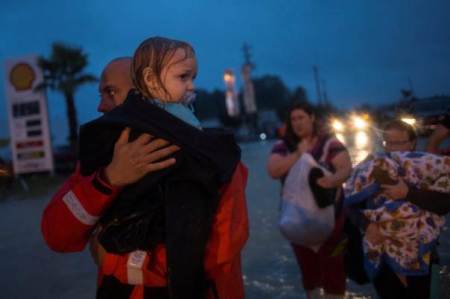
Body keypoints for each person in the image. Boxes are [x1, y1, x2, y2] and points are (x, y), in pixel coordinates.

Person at [42, 48, 249, 299]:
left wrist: (114, 256)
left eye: (110, 92)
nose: (99, 106)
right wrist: (108, 179)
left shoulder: (216, 160)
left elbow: (217, 260)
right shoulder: (99, 162)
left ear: (146, 93)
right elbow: (56, 237)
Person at [347, 120, 450, 299]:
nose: (393, 149)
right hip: (383, 253)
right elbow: (349, 206)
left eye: (399, 143)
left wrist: (407, 193)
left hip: (421, 253)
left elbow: (444, 205)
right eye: (389, 143)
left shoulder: (429, 167)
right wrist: (368, 225)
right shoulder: (372, 165)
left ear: (412, 143)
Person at [267, 102, 352, 299]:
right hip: (298, 218)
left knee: (335, 270)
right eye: (293, 119)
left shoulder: (329, 143)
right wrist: (298, 153)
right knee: (308, 271)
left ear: (312, 118)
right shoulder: (283, 146)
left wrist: (331, 181)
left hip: (333, 219)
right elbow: (273, 170)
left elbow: (345, 169)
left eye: (301, 118)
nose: (297, 123)